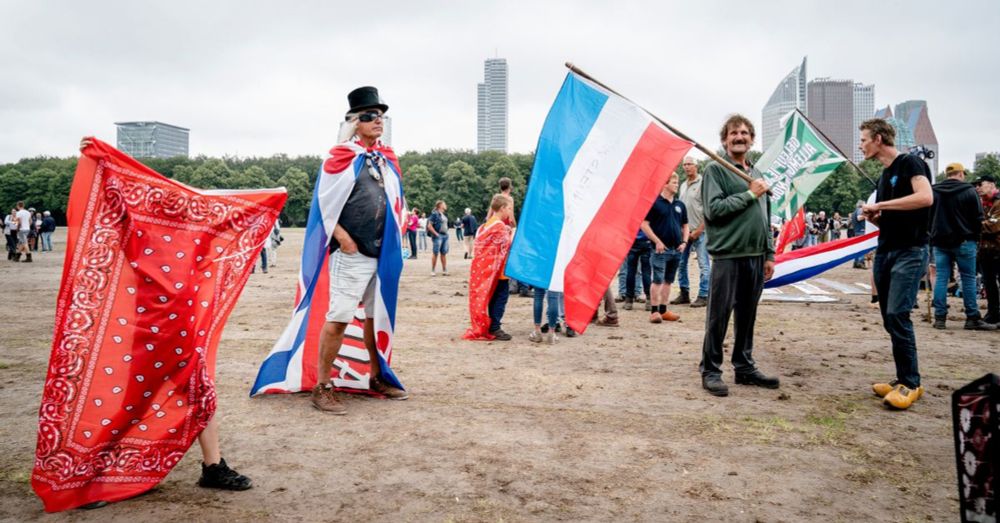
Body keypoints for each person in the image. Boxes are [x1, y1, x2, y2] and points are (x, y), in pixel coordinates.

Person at [312, 86, 409, 415]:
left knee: (374, 318)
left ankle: (375, 375)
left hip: (381, 253)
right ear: (354, 122)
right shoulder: (339, 158)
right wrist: (342, 237)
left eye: (381, 116)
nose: (377, 121)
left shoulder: (386, 158)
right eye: (369, 116)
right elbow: (323, 205)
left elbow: (397, 203)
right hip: (352, 254)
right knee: (338, 318)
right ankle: (323, 385)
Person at [699, 115, 779, 397]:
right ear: (725, 140)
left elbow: (765, 217)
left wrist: (769, 253)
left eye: (745, 133)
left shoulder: (757, 173)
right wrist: (749, 194)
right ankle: (711, 369)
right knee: (718, 317)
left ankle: (744, 366)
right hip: (728, 256)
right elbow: (713, 210)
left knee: (747, 316)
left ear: (752, 140)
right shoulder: (715, 170)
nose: (739, 137)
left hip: (756, 257)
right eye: (734, 133)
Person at [859, 118, 934, 410]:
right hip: (887, 249)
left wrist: (881, 205)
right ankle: (902, 377)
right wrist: (875, 217)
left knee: (898, 314)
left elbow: (925, 197)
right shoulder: (884, 175)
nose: (861, 145)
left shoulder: (911, 163)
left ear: (878, 138)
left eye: (864, 139)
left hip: (910, 251)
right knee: (889, 318)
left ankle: (912, 384)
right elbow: (893, 214)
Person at [929, 163, 992, 330]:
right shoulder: (969, 191)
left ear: (947, 174)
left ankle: (940, 318)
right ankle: (972, 317)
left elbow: (928, 216)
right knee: (968, 278)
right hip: (965, 241)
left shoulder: (934, 191)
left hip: (940, 241)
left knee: (941, 278)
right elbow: (978, 218)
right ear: (961, 174)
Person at [463, 194, 514, 340]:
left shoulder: (486, 225)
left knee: (493, 297)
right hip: (498, 271)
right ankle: (495, 326)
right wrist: (511, 234)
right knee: (500, 297)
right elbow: (506, 246)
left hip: (490, 269)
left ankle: (493, 325)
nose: (509, 211)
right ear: (502, 208)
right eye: (509, 208)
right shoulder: (498, 226)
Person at [640, 173, 688, 323]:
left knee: (668, 280)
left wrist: (684, 242)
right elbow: (644, 224)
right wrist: (657, 241)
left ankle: (664, 309)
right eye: (674, 182)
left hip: (676, 249)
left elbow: (685, 225)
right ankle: (654, 311)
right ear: (665, 184)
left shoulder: (680, 204)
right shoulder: (655, 203)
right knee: (658, 280)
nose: (677, 184)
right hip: (660, 250)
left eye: (677, 182)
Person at [676, 156, 710, 307]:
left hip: (700, 230)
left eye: (690, 164)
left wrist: (699, 229)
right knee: (681, 263)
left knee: (703, 263)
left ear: (696, 166)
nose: (687, 167)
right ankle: (684, 292)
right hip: (684, 231)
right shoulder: (682, 185)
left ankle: (704, 294)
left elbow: (708, 209)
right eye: (684, 164)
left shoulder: (704, 184)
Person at [976, 175, 1000, 324]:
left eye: (981, 184)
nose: (978, 187)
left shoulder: (998, 202)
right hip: (985, 250)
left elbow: (994, 226)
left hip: (998, 248)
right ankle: (993, 313)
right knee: (989, 283)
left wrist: (975, 225)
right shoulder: (980, 203)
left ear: (991, 185)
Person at [428, 200, 450, 276]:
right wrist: (436, 234)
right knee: (435, 253)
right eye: (444, 204)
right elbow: (429, 226)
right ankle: (433, 270)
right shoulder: (435, 214)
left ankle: (444, 270)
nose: (445, 205)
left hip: (445, 235)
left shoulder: (443, 214)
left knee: (443, 253)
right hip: (439, 236)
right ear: (440, 205)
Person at [850, 201, 867, 268]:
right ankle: (861, 262)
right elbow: (859, 218)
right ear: (862, 205)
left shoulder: (854, 211)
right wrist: (867, 216)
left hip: (857, 231)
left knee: (858, 248)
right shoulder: (860, 210)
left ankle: (856, 262)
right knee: (862, 247)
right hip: (861, 231)